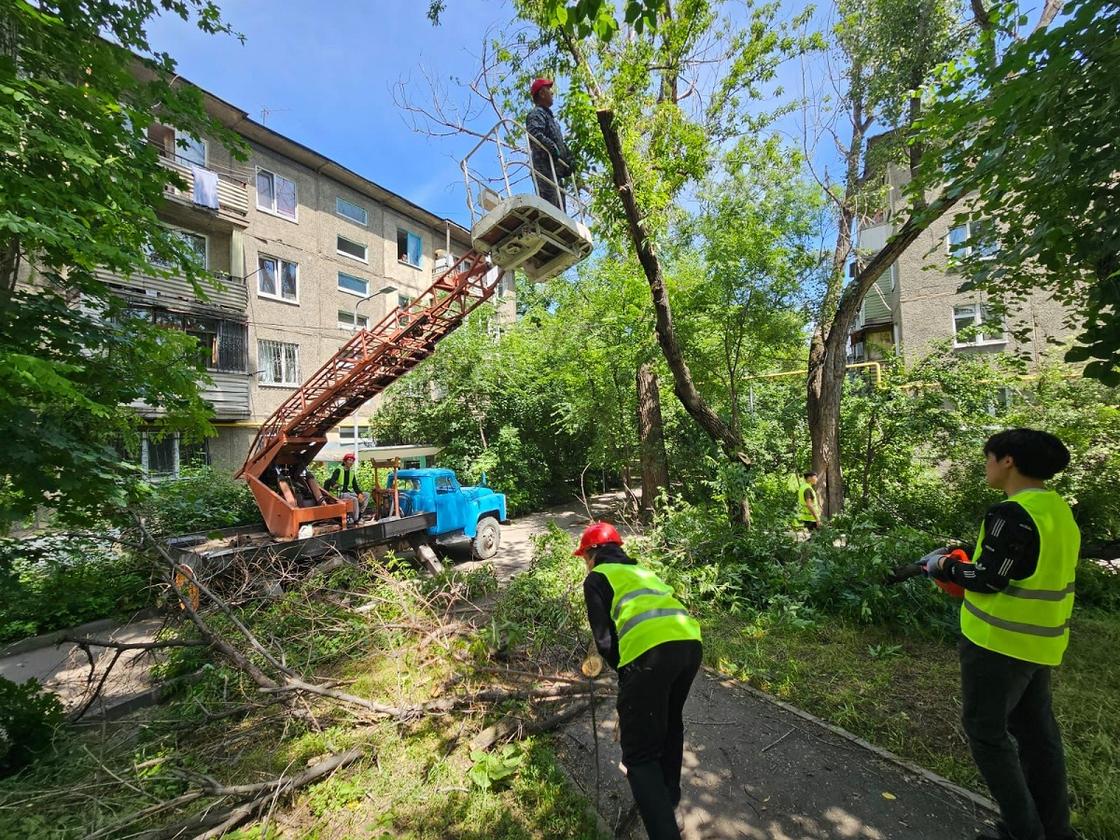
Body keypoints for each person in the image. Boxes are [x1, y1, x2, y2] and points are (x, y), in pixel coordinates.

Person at [924, 429, 1079, 840]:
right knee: (1037, 737)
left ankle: (1022, 831)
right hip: (1040, 643)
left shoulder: (1011, 513)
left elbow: (988, 579)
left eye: (988, 456)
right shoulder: (1057, 510)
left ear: (1007, 460)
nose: (985, 464)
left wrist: (943, 566)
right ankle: (1055, 830)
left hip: (996, 644)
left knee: (987, 734)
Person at [577, 521, 702, 840]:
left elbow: (605, 641)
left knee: (639, 754)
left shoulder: (597, 578)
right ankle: (671, 805)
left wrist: (626, 675)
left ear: (593, 553)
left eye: (584, 557)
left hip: (649, 655)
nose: (585, 563)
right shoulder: (644, 571)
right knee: (671, 724)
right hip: (689, 644)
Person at [526, 78, 575, 211]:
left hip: (555, 173)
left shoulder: (551, 120)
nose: (552, 93)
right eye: (549, 90)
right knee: (551, 211)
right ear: (542, 93)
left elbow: (560, 144)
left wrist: (568, 159)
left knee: (561, 214)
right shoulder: (537, 113)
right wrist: (552, 148)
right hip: (544, 170)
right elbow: (534, 134)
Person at [324, 452, 367, 523]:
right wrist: (334, 484)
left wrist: (360, 493)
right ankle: (356, 519)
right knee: (354, 499)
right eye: (349, 460)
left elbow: (355, 486)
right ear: (345, 461)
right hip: (340, 493)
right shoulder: (338, 470)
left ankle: (360, 514)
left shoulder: (352, 473)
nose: (351, 462)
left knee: (366, 495)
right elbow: (332, 480)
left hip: (349, 492)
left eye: (352, 460)